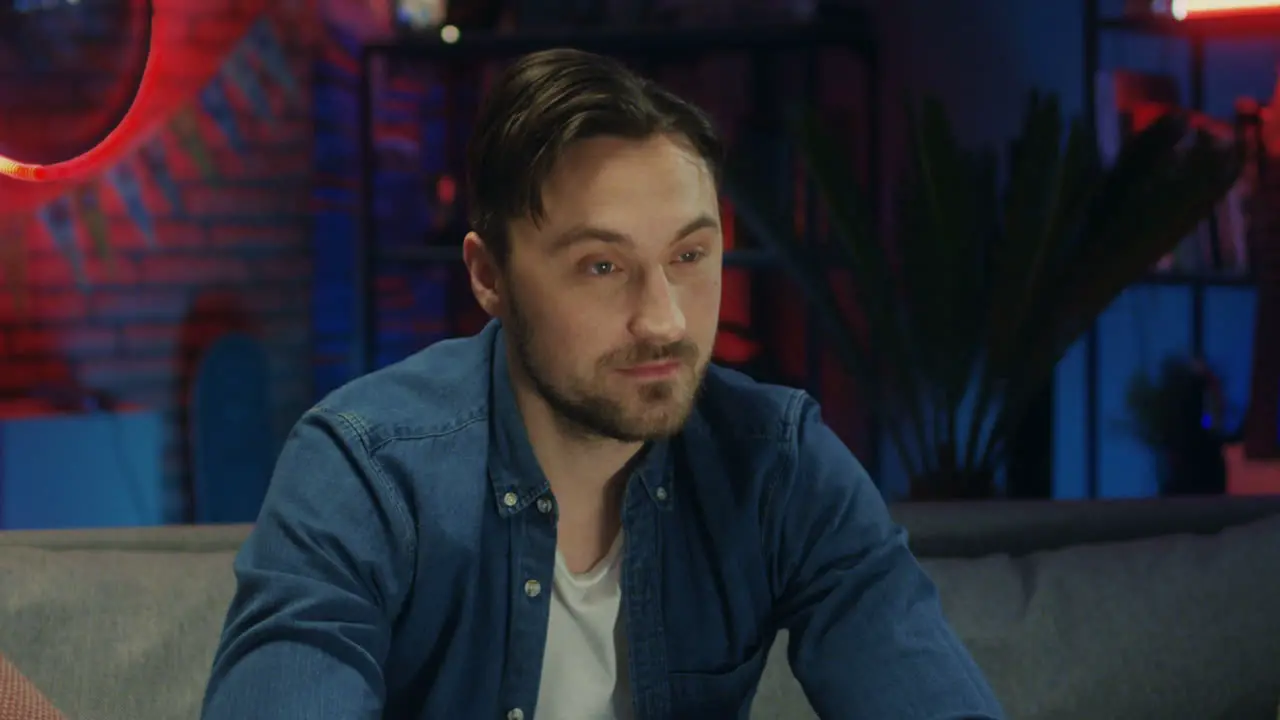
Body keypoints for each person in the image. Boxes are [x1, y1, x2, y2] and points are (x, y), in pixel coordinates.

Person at [201, 48, 1003, 719]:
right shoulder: (367, 469)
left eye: (689, 258)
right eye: (602, 266)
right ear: (489, 275)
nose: (665, 321)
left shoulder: (777, 465)